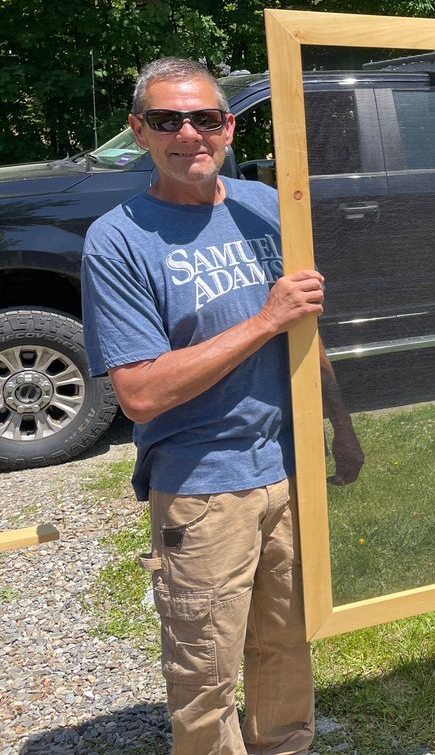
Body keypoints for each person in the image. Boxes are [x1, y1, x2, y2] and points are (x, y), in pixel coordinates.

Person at [81, 56, 363, 754]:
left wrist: (340, 424)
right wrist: (265, 319)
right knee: (205, 675)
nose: (188, 134)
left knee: (287, 645)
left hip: (289, 470)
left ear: (229, 127)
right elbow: (141, 393)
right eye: (167, 120)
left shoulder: (264, 207)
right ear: (138, 131)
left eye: (205, 118)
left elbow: (305, 328)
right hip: (203, 489)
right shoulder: (118, 240)